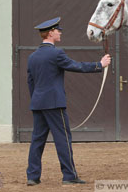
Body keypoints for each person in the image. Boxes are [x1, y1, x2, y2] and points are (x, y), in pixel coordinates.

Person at [26, 17, 111, 186]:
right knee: (63, 139)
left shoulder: (32, 57)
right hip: (54, 103)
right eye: (57, 30)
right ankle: (69, 176)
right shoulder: (56, 53)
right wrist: (99, 65)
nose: (60, 32)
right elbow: (76, 66)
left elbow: (31, 82)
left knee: (37, 140)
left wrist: (37, 99)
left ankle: (33, 176)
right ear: (50, 33)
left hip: (38, 103)